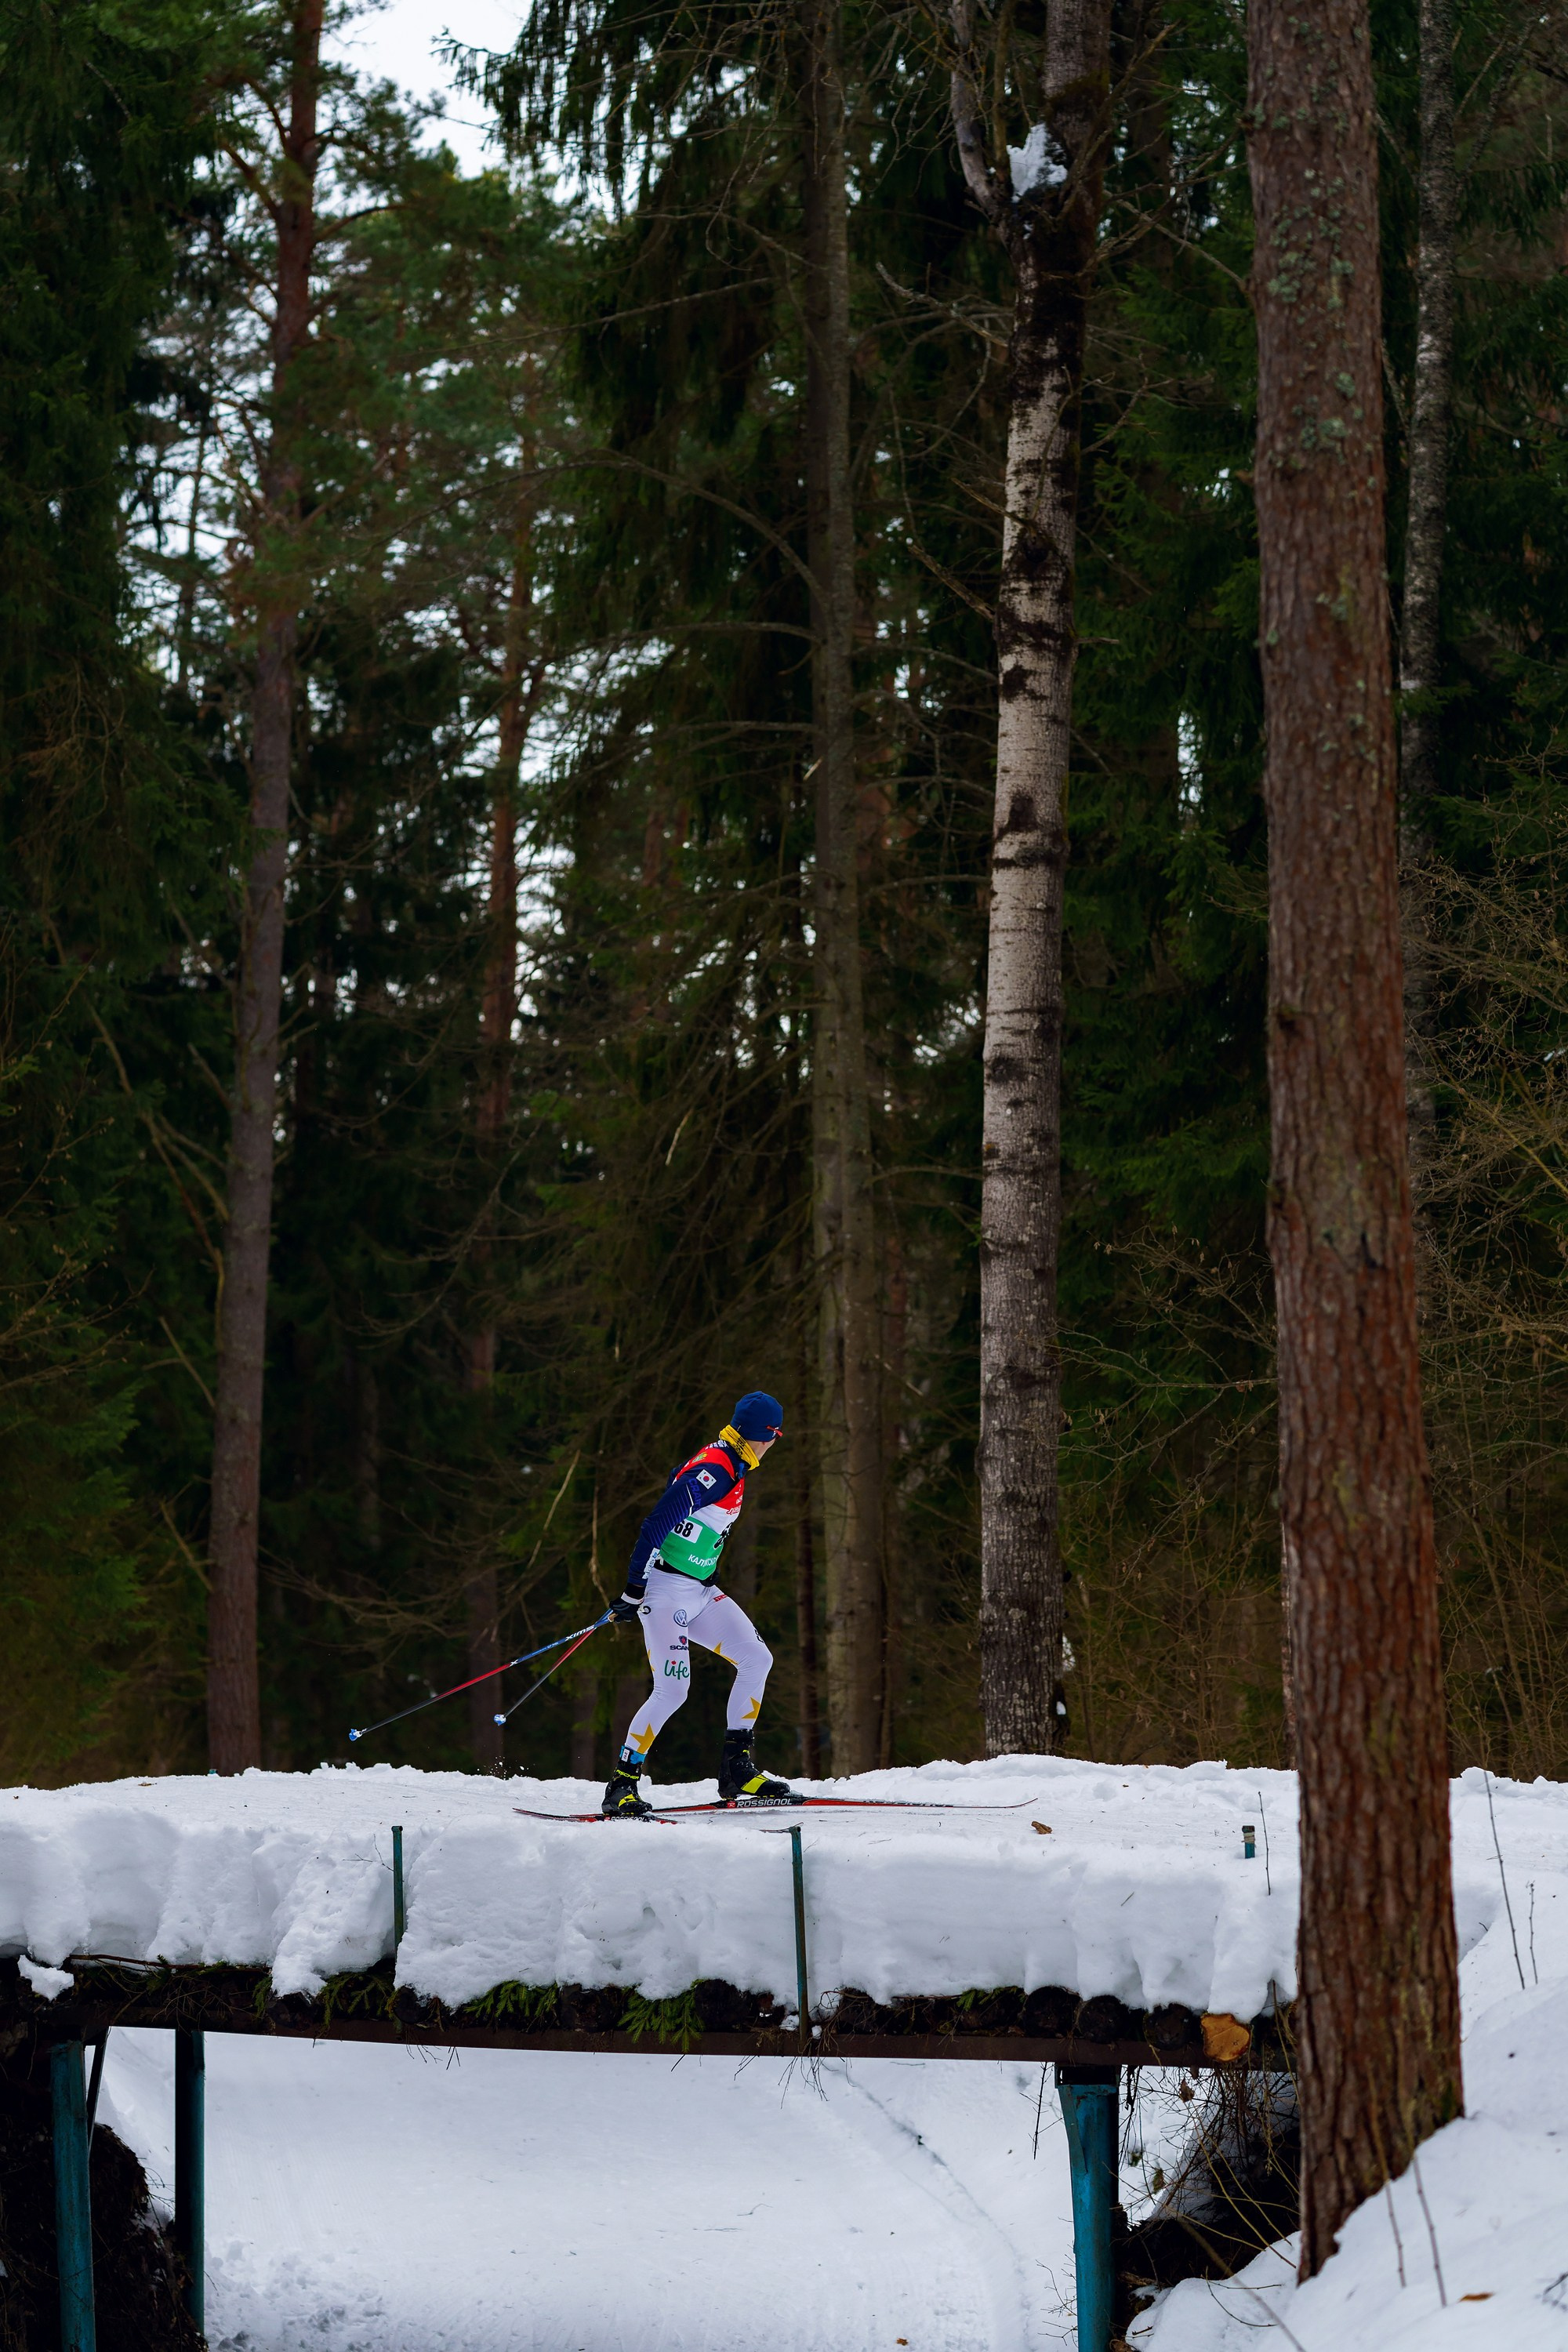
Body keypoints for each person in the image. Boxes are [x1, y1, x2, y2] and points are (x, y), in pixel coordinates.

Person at [601, 1391, 797, 1817]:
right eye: (774, 1435)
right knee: (673, 1689)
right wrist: (635, 1587)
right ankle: (622, 1785)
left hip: (700, 1589)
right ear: (761, 1434)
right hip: (666, 1591)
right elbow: (657, 1521)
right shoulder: (717, 1469)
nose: (774, 1443)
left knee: (756, 1658)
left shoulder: (733, 1460)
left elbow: (683, 1497)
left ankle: (737, 1770)